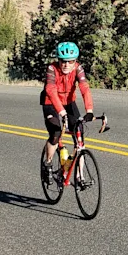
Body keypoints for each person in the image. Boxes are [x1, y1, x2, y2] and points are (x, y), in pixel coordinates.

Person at [41, 41, 95, 182]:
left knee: (79, 134)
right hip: (50, 102)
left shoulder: (78, 69)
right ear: (58, 60)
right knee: (56, 132)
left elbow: (84, 87)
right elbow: (50, 91)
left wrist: (89, 110)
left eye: (70, 61)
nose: (66, 65)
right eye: (62, 61)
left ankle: (79, 175)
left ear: (75, 61)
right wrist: (61, 112)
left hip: (69, 102)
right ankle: (48, 163)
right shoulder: (52, 69)